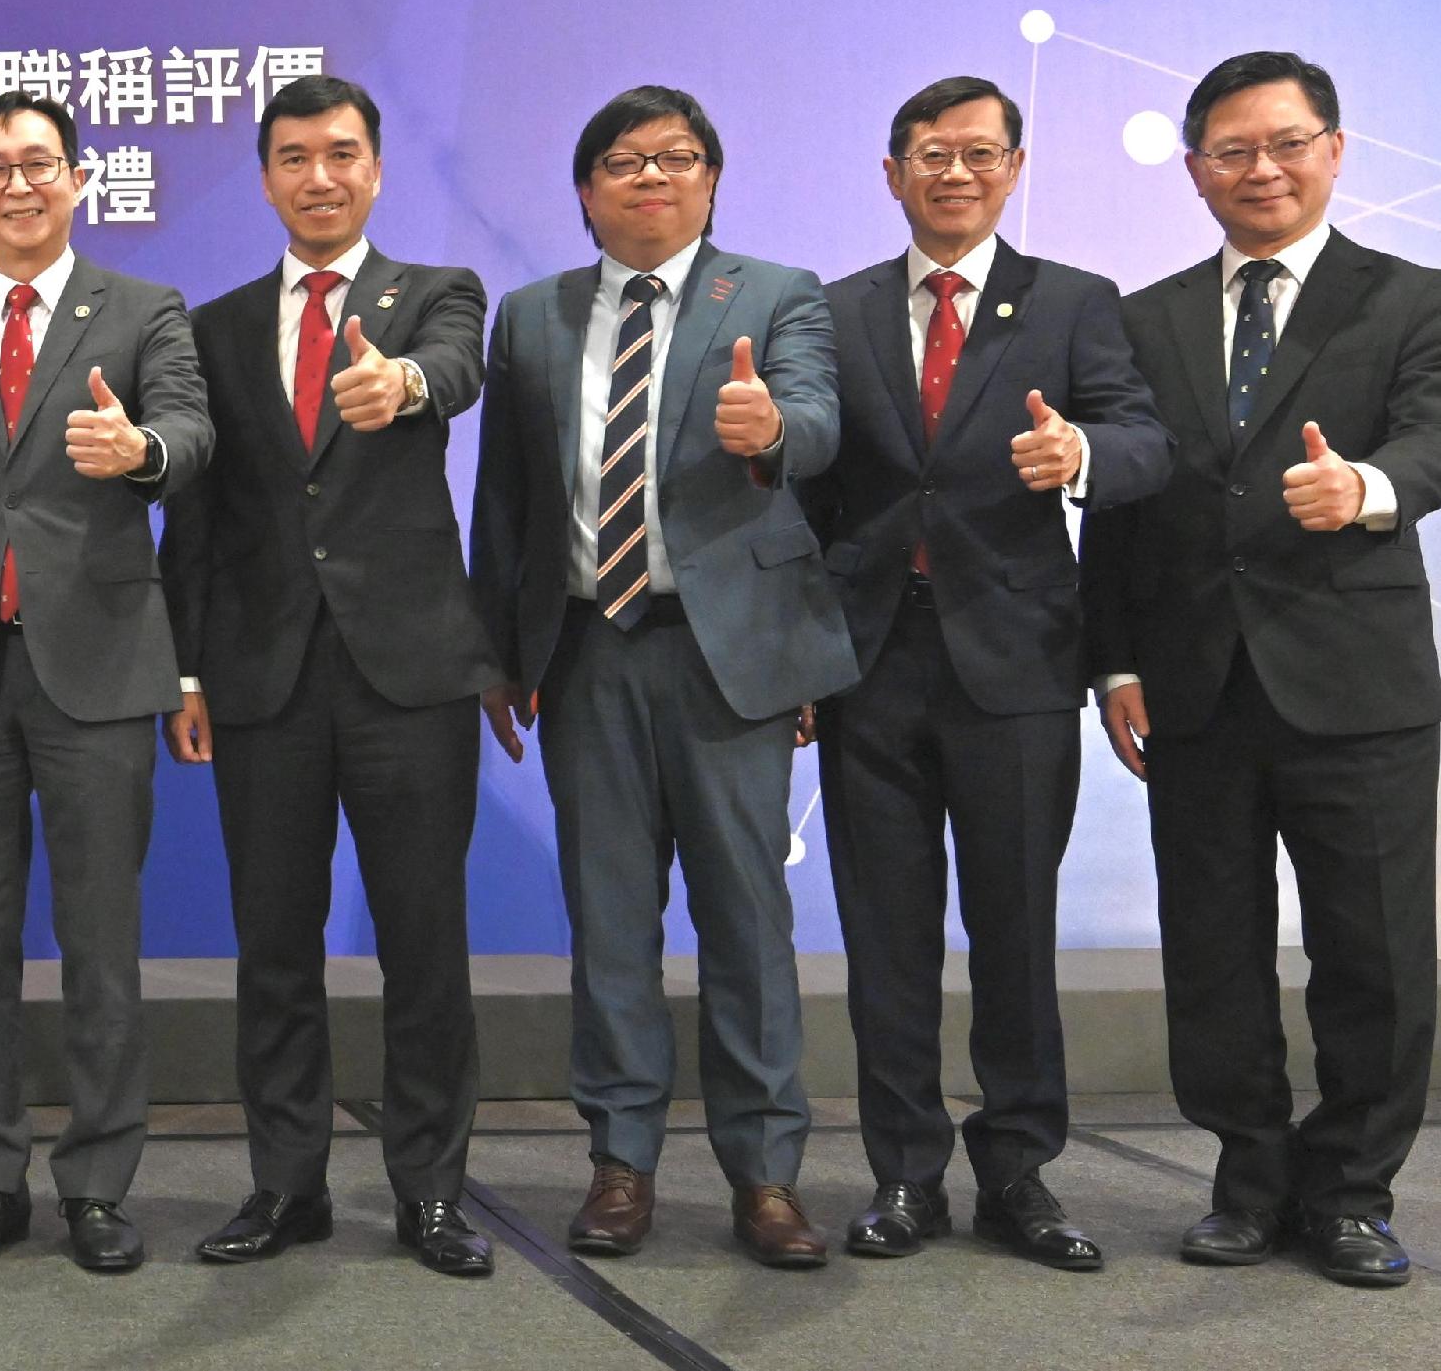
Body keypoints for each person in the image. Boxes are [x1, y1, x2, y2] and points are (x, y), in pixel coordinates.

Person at [1081, 51, 1441, 1289]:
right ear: (1195, 168)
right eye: (1233, 151)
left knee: (1372, 952)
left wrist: (1361, 487)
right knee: (1212, 949)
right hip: (1194, 685)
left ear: (1335, 150)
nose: (1262, 169)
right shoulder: (1141, 317)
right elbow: (1122, 511)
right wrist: (1113, 664)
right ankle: (1248, 1181)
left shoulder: (1414, 295)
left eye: (1287, 143)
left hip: (1354, 684)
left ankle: (1353, 1191)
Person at [466, 85, 855, 1269]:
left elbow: (817, 423)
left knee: (746, 923)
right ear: (586, 190)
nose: (653, 176)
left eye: (678, 157)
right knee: (611, 925)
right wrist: (500, 652)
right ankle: (620, 1164)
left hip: (724, 655)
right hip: (588, 649)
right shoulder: (531, 316)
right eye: (626, 160)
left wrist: (766, 429)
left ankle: (765, 1176)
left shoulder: (776, 296)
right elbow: (508, 501)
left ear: (712, 181)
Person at [800, 76, 1168, 1270]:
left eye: (975, 153)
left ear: (1013, 168)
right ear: (890, 170)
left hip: (1012, 663)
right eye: (928, 153)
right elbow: (808, 494)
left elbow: (1143, 442)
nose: (951, 173)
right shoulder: (834, 310)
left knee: (1014, 929)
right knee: (885, 936)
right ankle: (904, 1175)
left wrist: (1077, 454)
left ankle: (1018, 1170)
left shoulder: (1070, 303)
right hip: (869, 663)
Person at [159, 75, 496, 1277]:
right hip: (261, 677)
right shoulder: (215, 325)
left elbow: (451, 369)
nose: (318, 176)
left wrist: (398, 382)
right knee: (274, 947)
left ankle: (431, 1193)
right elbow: (193, 519)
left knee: (424, 942)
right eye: (293, 157)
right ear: (264, 179)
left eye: (341, 154)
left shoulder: (438, 297)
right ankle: (284, 1185)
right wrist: (187, 670)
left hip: (409, 674)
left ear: (376, 169)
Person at [0, 90, 212, 1274]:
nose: (17, 185)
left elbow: (189, 434)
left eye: (38, 164)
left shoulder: (142, 310)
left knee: (100, 943)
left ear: (80, 179)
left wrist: (141, 453)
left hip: (102, 669)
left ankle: (98, 1184)